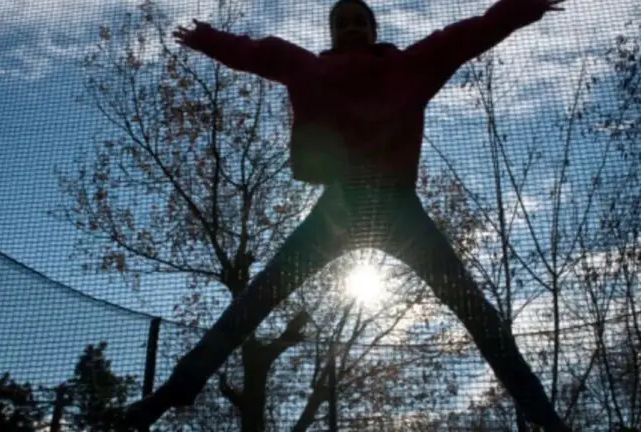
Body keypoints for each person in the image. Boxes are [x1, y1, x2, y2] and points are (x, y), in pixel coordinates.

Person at [126, 0, 571, 430]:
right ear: (333, 34)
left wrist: (519, 8)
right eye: (343, 22)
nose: (353, 27)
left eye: (361, 21)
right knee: (254, 303)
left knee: (476, 310)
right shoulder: (311, 70)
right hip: (338, 208)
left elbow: (468, 36)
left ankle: (540, 411)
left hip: (398, 208)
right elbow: (258, 54)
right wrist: (208, 39)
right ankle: (174, 391)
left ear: (375, 31)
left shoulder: (408, 66)